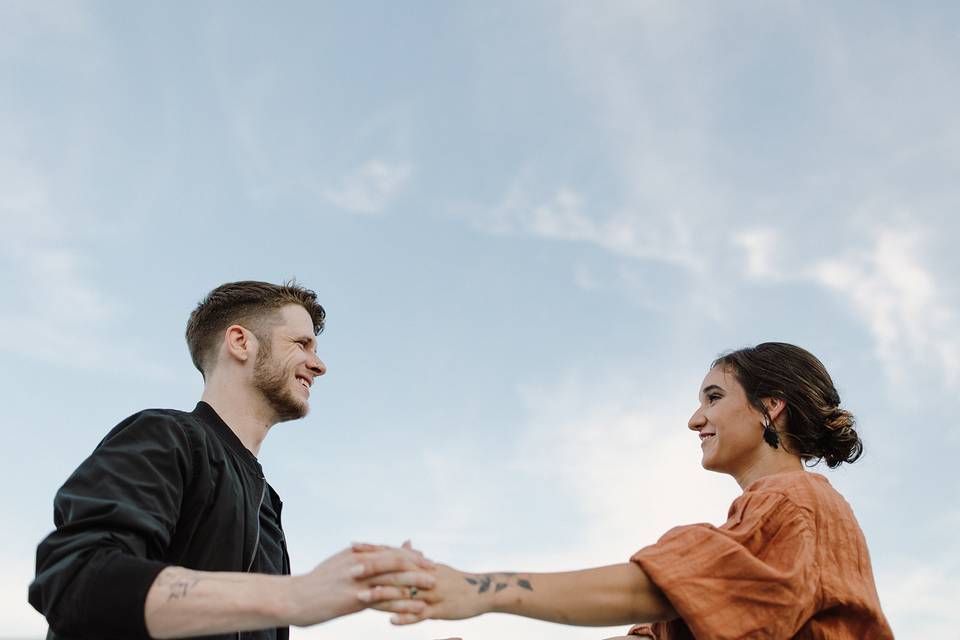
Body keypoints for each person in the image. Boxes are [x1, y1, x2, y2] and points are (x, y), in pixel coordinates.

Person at [383, 343, 893, 639]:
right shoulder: (776, 519)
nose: (695, 419)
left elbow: (659, 589)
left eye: (713, 397)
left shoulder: (796, 504)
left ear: (771, 407)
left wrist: (475, 591)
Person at [29, 280, 434, 639]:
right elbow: (77, 580)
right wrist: (295, 595)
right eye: (301, 344)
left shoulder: (267, 506)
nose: (319, 364)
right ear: (240, 342)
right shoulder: (167, 436)